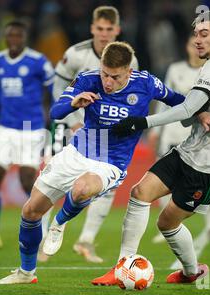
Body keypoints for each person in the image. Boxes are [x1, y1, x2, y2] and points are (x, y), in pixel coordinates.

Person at [0, 41, 186, 285]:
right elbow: (55, 112)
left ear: (128, 71)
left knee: (82, 188)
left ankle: (59, 223)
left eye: (115, 77)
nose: (107, 81)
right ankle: (26, 273)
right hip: (76, 152)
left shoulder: (146, 83)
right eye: (105, 73)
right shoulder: (87, 78)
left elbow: (180, 101)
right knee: (31, 211)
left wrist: (188, 115)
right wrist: (74, 103)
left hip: (111, 163)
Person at [92, 10, 210, 286]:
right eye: (196, 34)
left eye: (204, 34)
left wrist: (140, 122)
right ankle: (121, 267)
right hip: (188, 151)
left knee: (166, 223)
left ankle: (192, 271)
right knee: (139, 193)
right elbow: (190, 113)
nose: (197, 40)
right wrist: (200, 115)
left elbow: (186, 107)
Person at [40, 5, 139, 263]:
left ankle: (85, 241)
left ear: (117, 30)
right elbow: (58, 88)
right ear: (92, 28)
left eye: (109, 29)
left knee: (105, 188)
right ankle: (43, 241)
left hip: (104, 132)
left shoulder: (128, 60)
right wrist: (73, 120)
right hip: (70, 124)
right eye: (100, 29)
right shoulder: (75, 54)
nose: (104, 34)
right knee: (53, 179)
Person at [0, 21, 54, 253]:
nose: (14, 39)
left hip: (30, 127)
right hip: (4, 127)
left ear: (25, 38)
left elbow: (54, 93)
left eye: (18, 35)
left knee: (27, 181)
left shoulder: (38, 62)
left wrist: (57, 122)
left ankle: (43, 225)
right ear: (5, 38)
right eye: (10, 36)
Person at [149, 36, 210, 247]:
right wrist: (155, 130)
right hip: (171, 134)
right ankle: (167, 225)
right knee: (162, 180)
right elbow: (164, 100)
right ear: (186, 47)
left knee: (203, 178)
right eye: (192, 44)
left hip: (198, 136)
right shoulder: (175, 69)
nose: (195, 48)